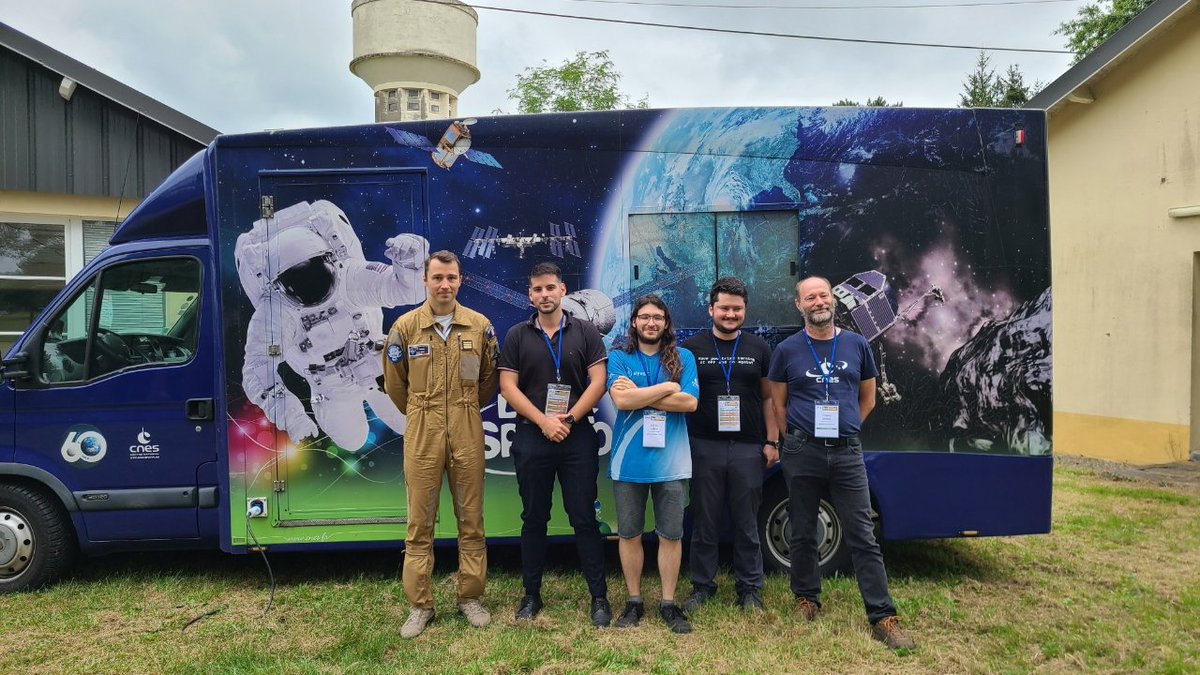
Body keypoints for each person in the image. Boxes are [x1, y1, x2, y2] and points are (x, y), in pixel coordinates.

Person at [767, 276, 915, 651]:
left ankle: (883, 617)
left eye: (823, 295)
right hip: (803, 452)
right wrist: (796, 440)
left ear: (832, 300)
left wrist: (845, 431)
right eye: (809, 297)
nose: (818, 301)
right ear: (798, 305)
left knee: (863, 535)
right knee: (802, 532)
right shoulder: (786, 350)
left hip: (848, 453)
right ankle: (807, 598)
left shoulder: (856, 344)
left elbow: (868, 398)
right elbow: (778, 404)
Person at [382, 250, 499, 639]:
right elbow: (395, 385)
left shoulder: (479, 326)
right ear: (425, 281)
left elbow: (487, 380)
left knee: (471, 519)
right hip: (422, 426)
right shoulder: (405, 327)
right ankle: (420, 605)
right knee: (420, 522)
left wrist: (462, 407)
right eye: (437, 278)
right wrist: (422, 410)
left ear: (460, 280)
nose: (444, 285)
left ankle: (470, 597)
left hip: (466, 422)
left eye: (451, 278)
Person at [498, 262, 612, 627]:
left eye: (550, 288)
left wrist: (568, 419)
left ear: (563, 290)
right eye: (537, 289)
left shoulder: (586, 332)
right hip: (533, 436)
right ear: (530, 295)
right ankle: (531, 596)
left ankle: (599, 598)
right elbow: (508, 387)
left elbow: (598, 381)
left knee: (584, 518)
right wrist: (544, 421)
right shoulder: (517, 334)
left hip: (576, 435)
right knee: (534, 519)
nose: (544, 295)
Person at [681, 277, 778, 614]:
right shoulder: (691, 348)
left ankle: (750, 589)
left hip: (747, 447)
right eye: (724, 307)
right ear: (711, 309)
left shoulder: (759, 348)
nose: (730, 314)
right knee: (704, 521)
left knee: (747, 522)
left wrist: (771, 440)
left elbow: (769, 398)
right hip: (703, 445)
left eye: (737, 309)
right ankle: (702, 587)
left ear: (745, 311)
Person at [606, 295, 699, 634]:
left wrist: (641, 393)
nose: (651, 323)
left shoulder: (683, 357)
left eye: (657, 317)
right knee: (628, 534)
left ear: (665, 323)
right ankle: (633, 602)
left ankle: (669, 604)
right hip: (627, 464)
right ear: (634, 322)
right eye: (644, 317)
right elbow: (621, 399)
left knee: (671, 535)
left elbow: (689, 403)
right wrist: (666, 387)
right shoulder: (618, 357)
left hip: (671, 465)